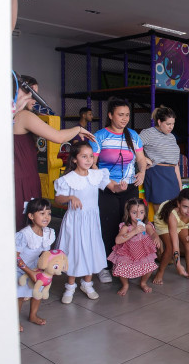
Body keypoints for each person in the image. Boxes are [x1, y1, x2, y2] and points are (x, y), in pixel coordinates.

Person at [13, 78, 95, 231]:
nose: (35, 99)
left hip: (22, 177)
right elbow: (58, 137)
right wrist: (78, 129)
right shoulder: (23, 116)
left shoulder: (14, 116)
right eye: (32, 93)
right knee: (27, 227)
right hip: (24, 178)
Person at [54, 142, 127, 304]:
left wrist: (120, 187)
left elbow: (113, 188)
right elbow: (58, 199)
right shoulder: (68, 179)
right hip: (75, 221)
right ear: (74, 159)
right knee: (74, 251)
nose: (88, 160)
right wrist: (70, 197)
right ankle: (70, 286)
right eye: (84, 156)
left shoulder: (96, 175)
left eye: (91, 156)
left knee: (90, 249)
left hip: (92, 221)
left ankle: (87, 284)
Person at [90, 97, 148, 284]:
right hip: (107, 189)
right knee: (108, 227)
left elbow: (141, 159)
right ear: (110, 115)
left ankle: (126, 264)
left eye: (127, 115)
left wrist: (142, 172)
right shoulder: (100, 136)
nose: (124, 119)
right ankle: (105, 266)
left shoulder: (133, 135)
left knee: (129, 225)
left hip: (129, 187)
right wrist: (110, 184)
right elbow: (92, 163)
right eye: (120, 115)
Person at [16, 198, 56, 332]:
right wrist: (29, 272)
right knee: (20, 295)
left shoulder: (48, 233)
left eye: (49, 213)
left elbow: (45, 253)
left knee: (37, 290)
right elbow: (15, 256)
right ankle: (14, 320)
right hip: (20, 268)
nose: (46, 217)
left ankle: (32, 315)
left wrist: (47, 268)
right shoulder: (24, 235)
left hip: (34, 267)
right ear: (31, 216)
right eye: (42, 213)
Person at [108, 198, 161, 295]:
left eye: (141, 212)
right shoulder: (125, 227)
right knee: (122, 268)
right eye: (134, 212)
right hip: (127, 253)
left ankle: (143, 282)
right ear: (128, 213)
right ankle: (125, 285)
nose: (138, 215)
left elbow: (152, 233)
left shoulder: (146, 225)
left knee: (149, 266)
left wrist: (156, 237)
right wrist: (134, 231)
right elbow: (118, 240)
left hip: (143, 252)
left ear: (145, 213)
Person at [153, 187, 189, 284]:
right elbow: (175, 244)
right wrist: (178, 265)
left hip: (182, 224)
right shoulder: (172, 214)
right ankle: (160, 271)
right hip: (164, 224)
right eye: (185, 207)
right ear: (178, 204)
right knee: (170, 247)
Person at [139, 106, 182, 214]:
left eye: (173, 124)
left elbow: (175, 164)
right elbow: (131, 147)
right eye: (168, 124)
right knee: (161, 214)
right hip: (157, 174)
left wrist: (180, 186)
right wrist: (144, 158)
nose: (171, 127)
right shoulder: (148, 133)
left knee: (174, 214)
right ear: (159, 121)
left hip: (172, 175)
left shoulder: (171, 137)